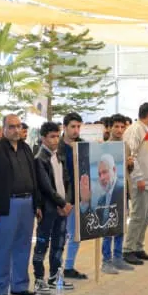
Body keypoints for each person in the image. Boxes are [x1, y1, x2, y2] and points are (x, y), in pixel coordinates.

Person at [0, 114, 40, 295]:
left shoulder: (26, 148)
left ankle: (19, 285)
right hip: (6, 205)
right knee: (2, 247)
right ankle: (0, 289)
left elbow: (34, 178)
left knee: (23, 245)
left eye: (18, 126)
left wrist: (37, 204)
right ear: (3, 128)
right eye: (12, 127)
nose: (16, 130)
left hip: (27, 203)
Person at [32, 122, 74, 294]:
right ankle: (39, 279)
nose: (56, 140)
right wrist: (61, 204)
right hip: (49, 209)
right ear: (43, 138)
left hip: (62, 208)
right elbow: (46, 187)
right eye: (52, 137)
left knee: (59, 244)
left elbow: (67, 180)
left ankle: (55, 276)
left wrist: (68, 202)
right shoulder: (39, 159)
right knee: (42, 243)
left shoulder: (59, 155)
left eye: (57, 136)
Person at [125, 103, 148, 263]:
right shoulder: (135, 130)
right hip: (140, 180)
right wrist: (138, 177)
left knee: (147, 216)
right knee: (138, 215)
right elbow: (131, 156)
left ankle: (138, 247)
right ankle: (128, 249)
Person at [58, 113, 89, 279]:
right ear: (65, 127)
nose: (76, 130)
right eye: (73, 127)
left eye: (78, 126)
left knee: (75, 233)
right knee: (59, 235)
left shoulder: (83, 145)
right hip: (61, 197)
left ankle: (68, 266)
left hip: (78, 197)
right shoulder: (57, 147)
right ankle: (56, 267)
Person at [101, 116, 134, 271]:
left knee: (121, 226)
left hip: (123, 190)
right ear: (110, 127)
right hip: (109, 192)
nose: (120, 130)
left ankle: (118, 257)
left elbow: (127, 170)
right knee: (108, 226)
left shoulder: (126, 145)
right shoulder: (104, 146)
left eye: (122, 127)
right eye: (116, 126)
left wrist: (130, 164)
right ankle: (106, 260)